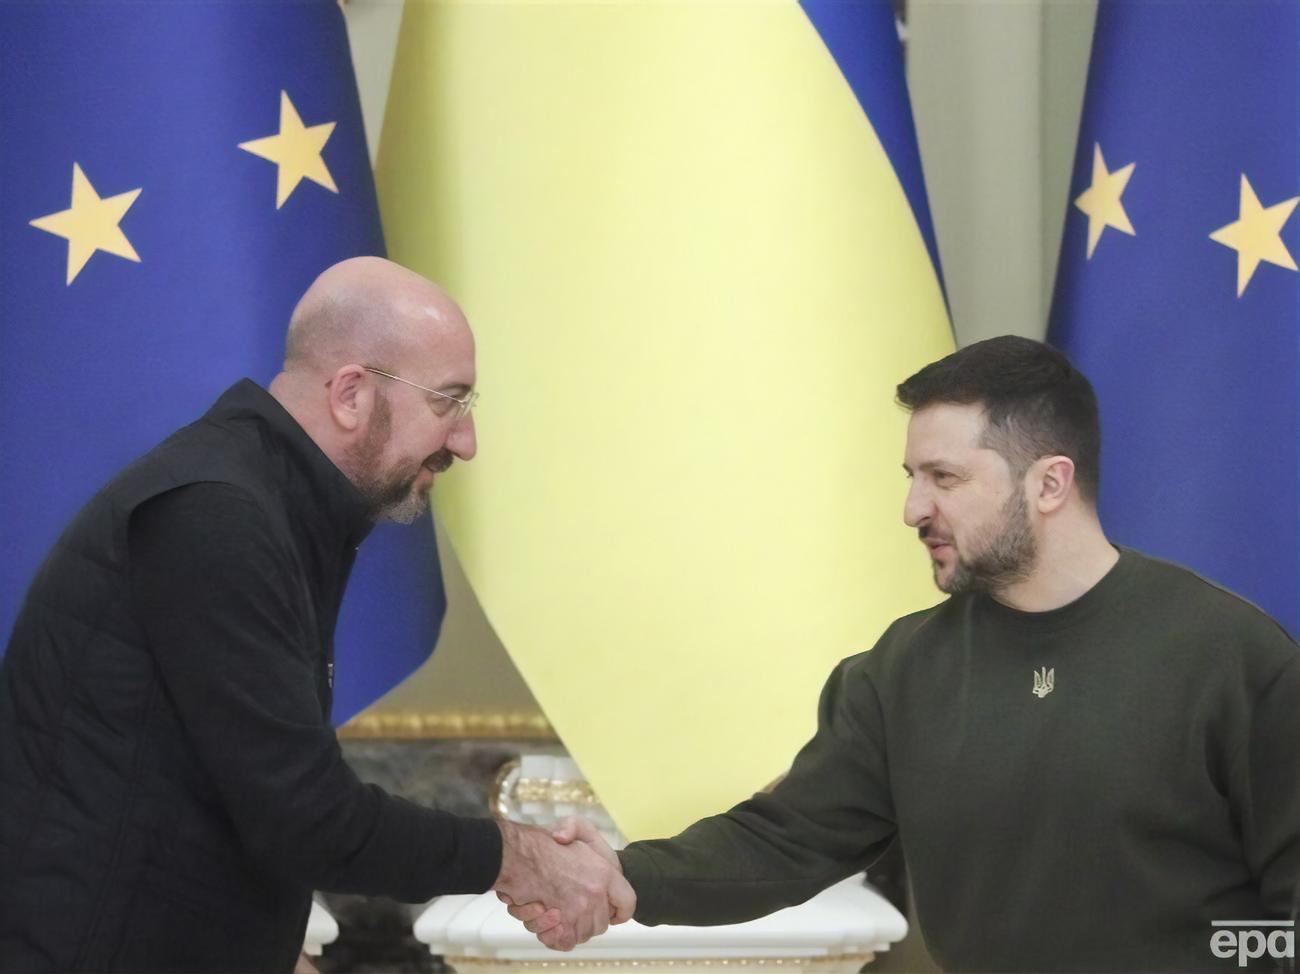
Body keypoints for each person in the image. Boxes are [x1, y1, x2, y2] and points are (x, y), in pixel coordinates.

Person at [505, 336, 1300, 971]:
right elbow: (784, 842)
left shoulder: (1231, 658)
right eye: (913, 476)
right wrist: (624, 876)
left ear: (1050, 484)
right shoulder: (902, 671)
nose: (914, 508)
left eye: (944, 477)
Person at [0, 257, 633, 973]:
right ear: (351, 394)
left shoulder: (262, 501)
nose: (466, 441)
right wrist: (514, 856)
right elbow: (304, 817)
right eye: (449, 403)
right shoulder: (217, 516)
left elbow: (214, 797)